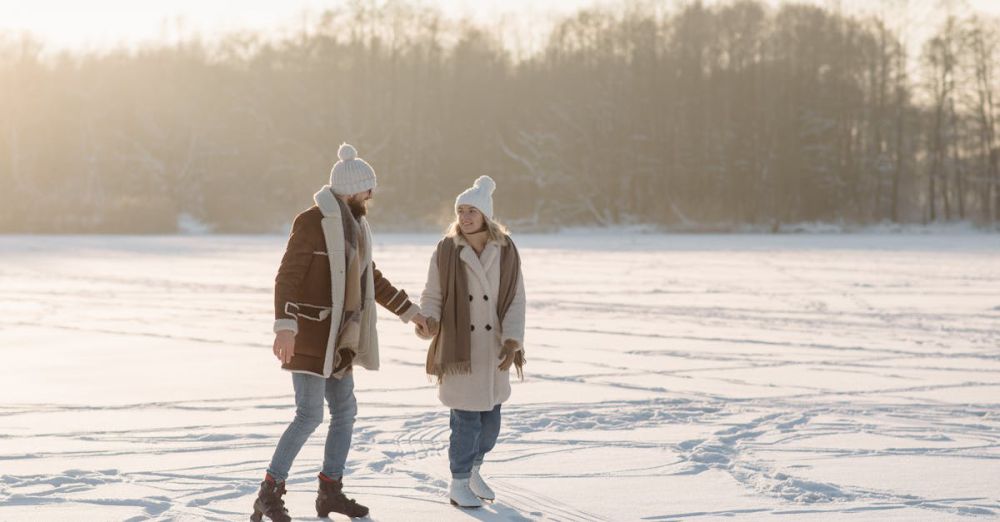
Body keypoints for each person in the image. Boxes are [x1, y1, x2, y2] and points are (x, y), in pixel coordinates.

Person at [252, 143, 428, 522]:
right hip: (311, 335)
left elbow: (371, 279)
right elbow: (287, 276)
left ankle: (329, 490)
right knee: (309, 415)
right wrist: (285, 327)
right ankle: (268, 492)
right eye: (368, 189)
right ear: (351, 190)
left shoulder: (358, 226)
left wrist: (409, 311)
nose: (371, 196)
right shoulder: (312, 222)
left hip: (342, 340)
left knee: (345, 411)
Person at [415, 175, 526, 509]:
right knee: (465, 422)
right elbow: (433, 292)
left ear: (485, 215)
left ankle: (475, 470)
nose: (464, 217)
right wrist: (429, 319)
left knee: (490, 424)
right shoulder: (447, 249)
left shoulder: (506, 249)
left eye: (470, 211)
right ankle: (459, 482)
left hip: (493, 349)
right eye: (460, 211)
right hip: (459, 349)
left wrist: (512, 341)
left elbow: (516, 298)